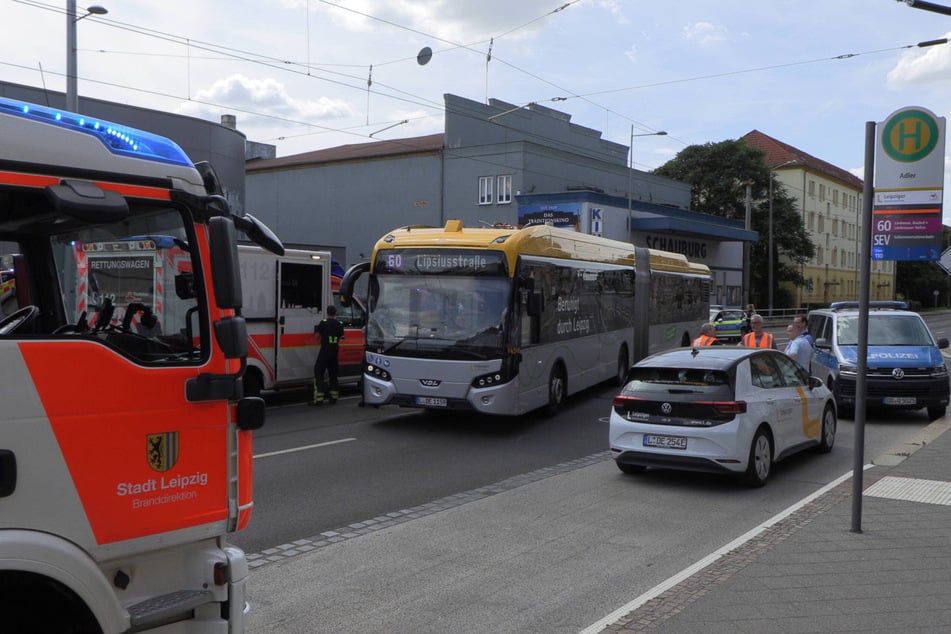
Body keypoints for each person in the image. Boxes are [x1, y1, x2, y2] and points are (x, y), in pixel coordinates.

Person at [312, 305, 345, 406]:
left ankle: (319, 399)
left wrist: (317, 332)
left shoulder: (323, 323)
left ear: (327, 312)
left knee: (319, 373)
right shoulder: (339, 324)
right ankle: (334, 398)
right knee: (333, 375)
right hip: (334, 352)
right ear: (335, 313)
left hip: (324, 352)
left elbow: (317, 337)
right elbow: (342, 337)